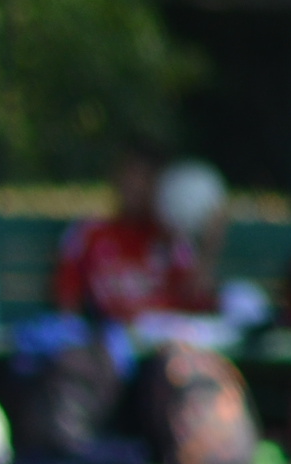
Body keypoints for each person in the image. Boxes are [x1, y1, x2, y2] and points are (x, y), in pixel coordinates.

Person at [53, 138, 220, 325]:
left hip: (166, 332)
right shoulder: (89, 233)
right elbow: (67, 301)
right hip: (114, 333)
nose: (137, 186)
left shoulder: (171, 240)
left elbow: (197, 300)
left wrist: (209, 247)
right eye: (131, 175)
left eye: (147, 178)